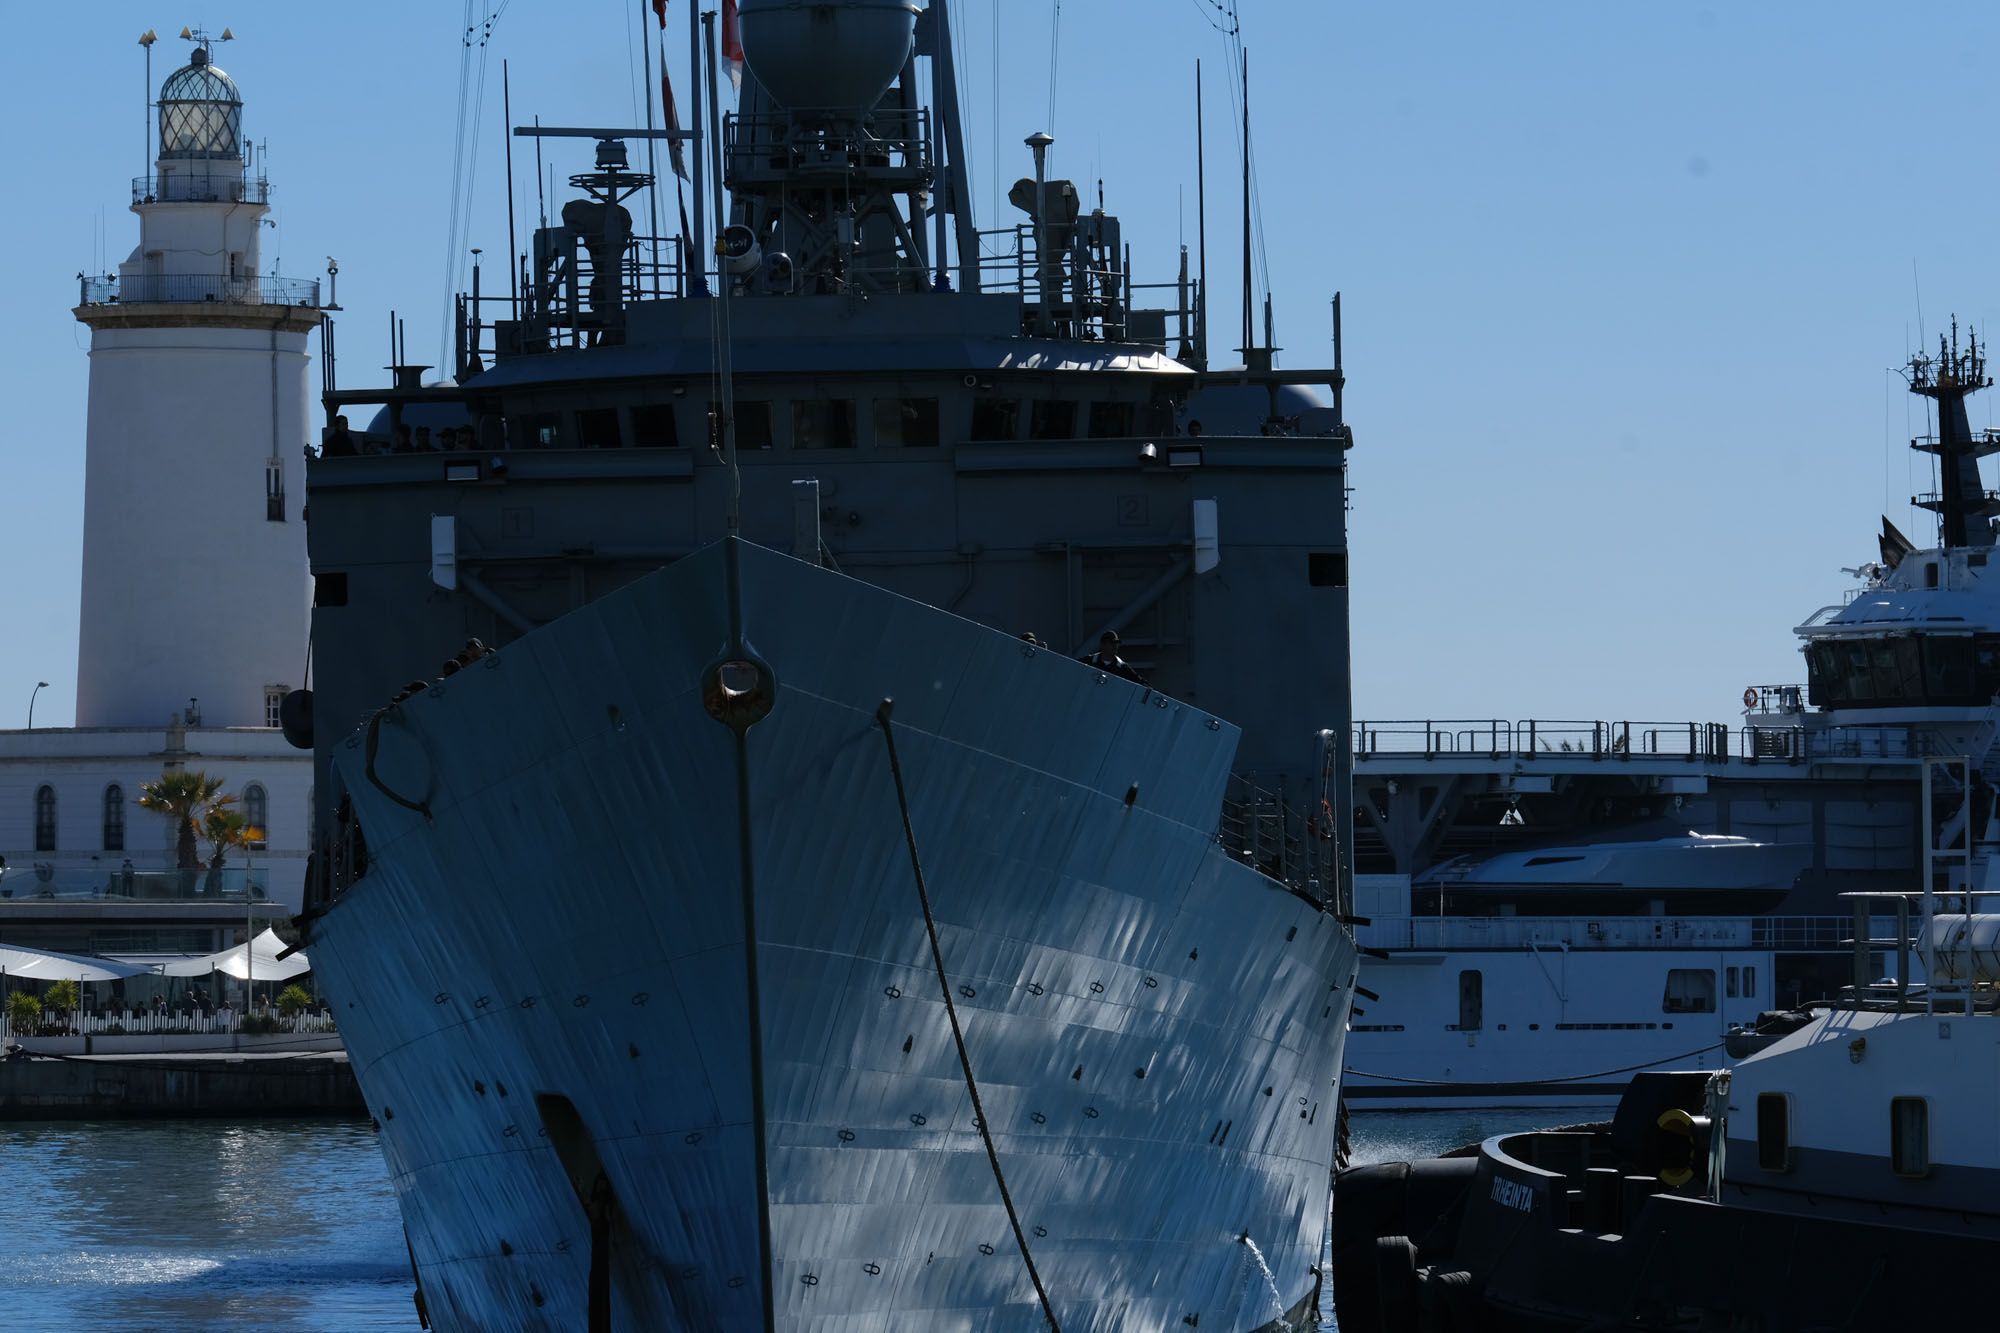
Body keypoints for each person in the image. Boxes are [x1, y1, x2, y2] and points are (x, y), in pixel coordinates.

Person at [1080, 630, 1147, 684]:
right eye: (1112, 643)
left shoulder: (1124, 668)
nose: (1115, 646)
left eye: (1116, 643)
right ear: (1102, 645)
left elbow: (1141, 682)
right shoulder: (1088, 661)